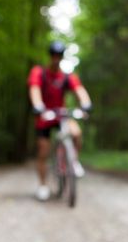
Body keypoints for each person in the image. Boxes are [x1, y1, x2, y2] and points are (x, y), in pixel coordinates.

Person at [28, 41, 92, 201]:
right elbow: (34, 90)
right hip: (45, 116)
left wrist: (86, 104)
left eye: (59, 55)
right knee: (43, 151)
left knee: (76, 132)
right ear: (50, 56)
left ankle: (72, 161)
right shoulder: (39, 72)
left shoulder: (67, 77)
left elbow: (80, 90)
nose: (56, 58)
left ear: (62, 57)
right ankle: (43, 186)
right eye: (53, 55)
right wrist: (38, 106)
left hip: (61, 115)